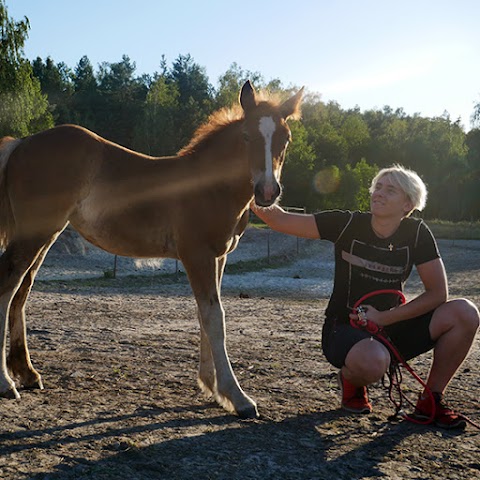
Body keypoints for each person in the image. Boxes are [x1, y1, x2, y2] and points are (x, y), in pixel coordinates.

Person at [251, 165, 479, 429]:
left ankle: (431, 401)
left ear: (408, 204)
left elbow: (438, 293)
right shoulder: (347, 223)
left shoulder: (417, 233)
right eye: (378, 187)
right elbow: (278, 219)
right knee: (373, 361)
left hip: (389, 325)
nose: (378, 194)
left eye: (390, 190)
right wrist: (252, 182)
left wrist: (384, 317)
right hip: (344, 328)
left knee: (465, 312)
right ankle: (352, 380)